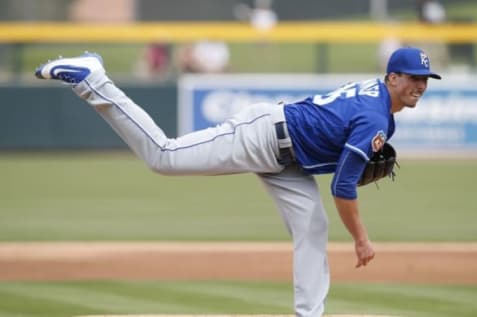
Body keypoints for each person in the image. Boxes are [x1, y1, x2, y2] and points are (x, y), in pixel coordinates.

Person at [35, 46, 441, 316]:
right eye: (412, 77)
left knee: (312, 228)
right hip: (263, 135)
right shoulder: (375, 117)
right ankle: (93, 80)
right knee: (164, 156)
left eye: (425, 78)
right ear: (391, 77)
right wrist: (361, 238)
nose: (419, 85)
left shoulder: (376, 102)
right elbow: (343, 187)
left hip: (290, 161)